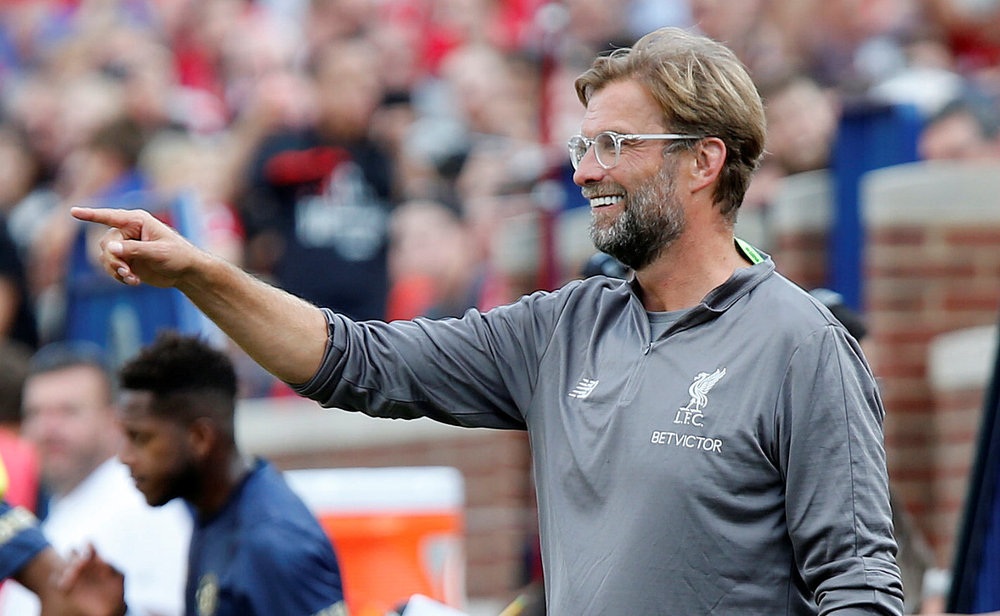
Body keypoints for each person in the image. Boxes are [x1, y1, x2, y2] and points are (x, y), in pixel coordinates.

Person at [71, 27, 903, 614]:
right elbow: (356, 363)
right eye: (584, 148)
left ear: (703, 159)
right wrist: (201, 273)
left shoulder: (802, 345)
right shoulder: (561, 328)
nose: (587, 173)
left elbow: (860, 589)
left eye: (615, 145)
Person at [61, 333, 347, 616]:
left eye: (141, 438)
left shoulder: (273, 545)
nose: (124, 457)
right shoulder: (212, 511)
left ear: (199, 438)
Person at [0, 343, 190, 616]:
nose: (47, 429)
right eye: (35, 413)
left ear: (115, 421)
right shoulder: (66, 504)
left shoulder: (144, 508)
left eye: (67, 411)